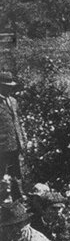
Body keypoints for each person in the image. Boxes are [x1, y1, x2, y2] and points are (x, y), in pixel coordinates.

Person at [0, 72, 27, 200]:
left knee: (16, 174)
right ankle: (3, 202)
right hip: (2, 146)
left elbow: (17, 122)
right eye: (6, 86)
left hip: (15, 144)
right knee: (2, 174)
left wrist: (21, 140)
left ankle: (18, 200)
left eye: (10, 86)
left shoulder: (13, 101)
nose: (9, 88)